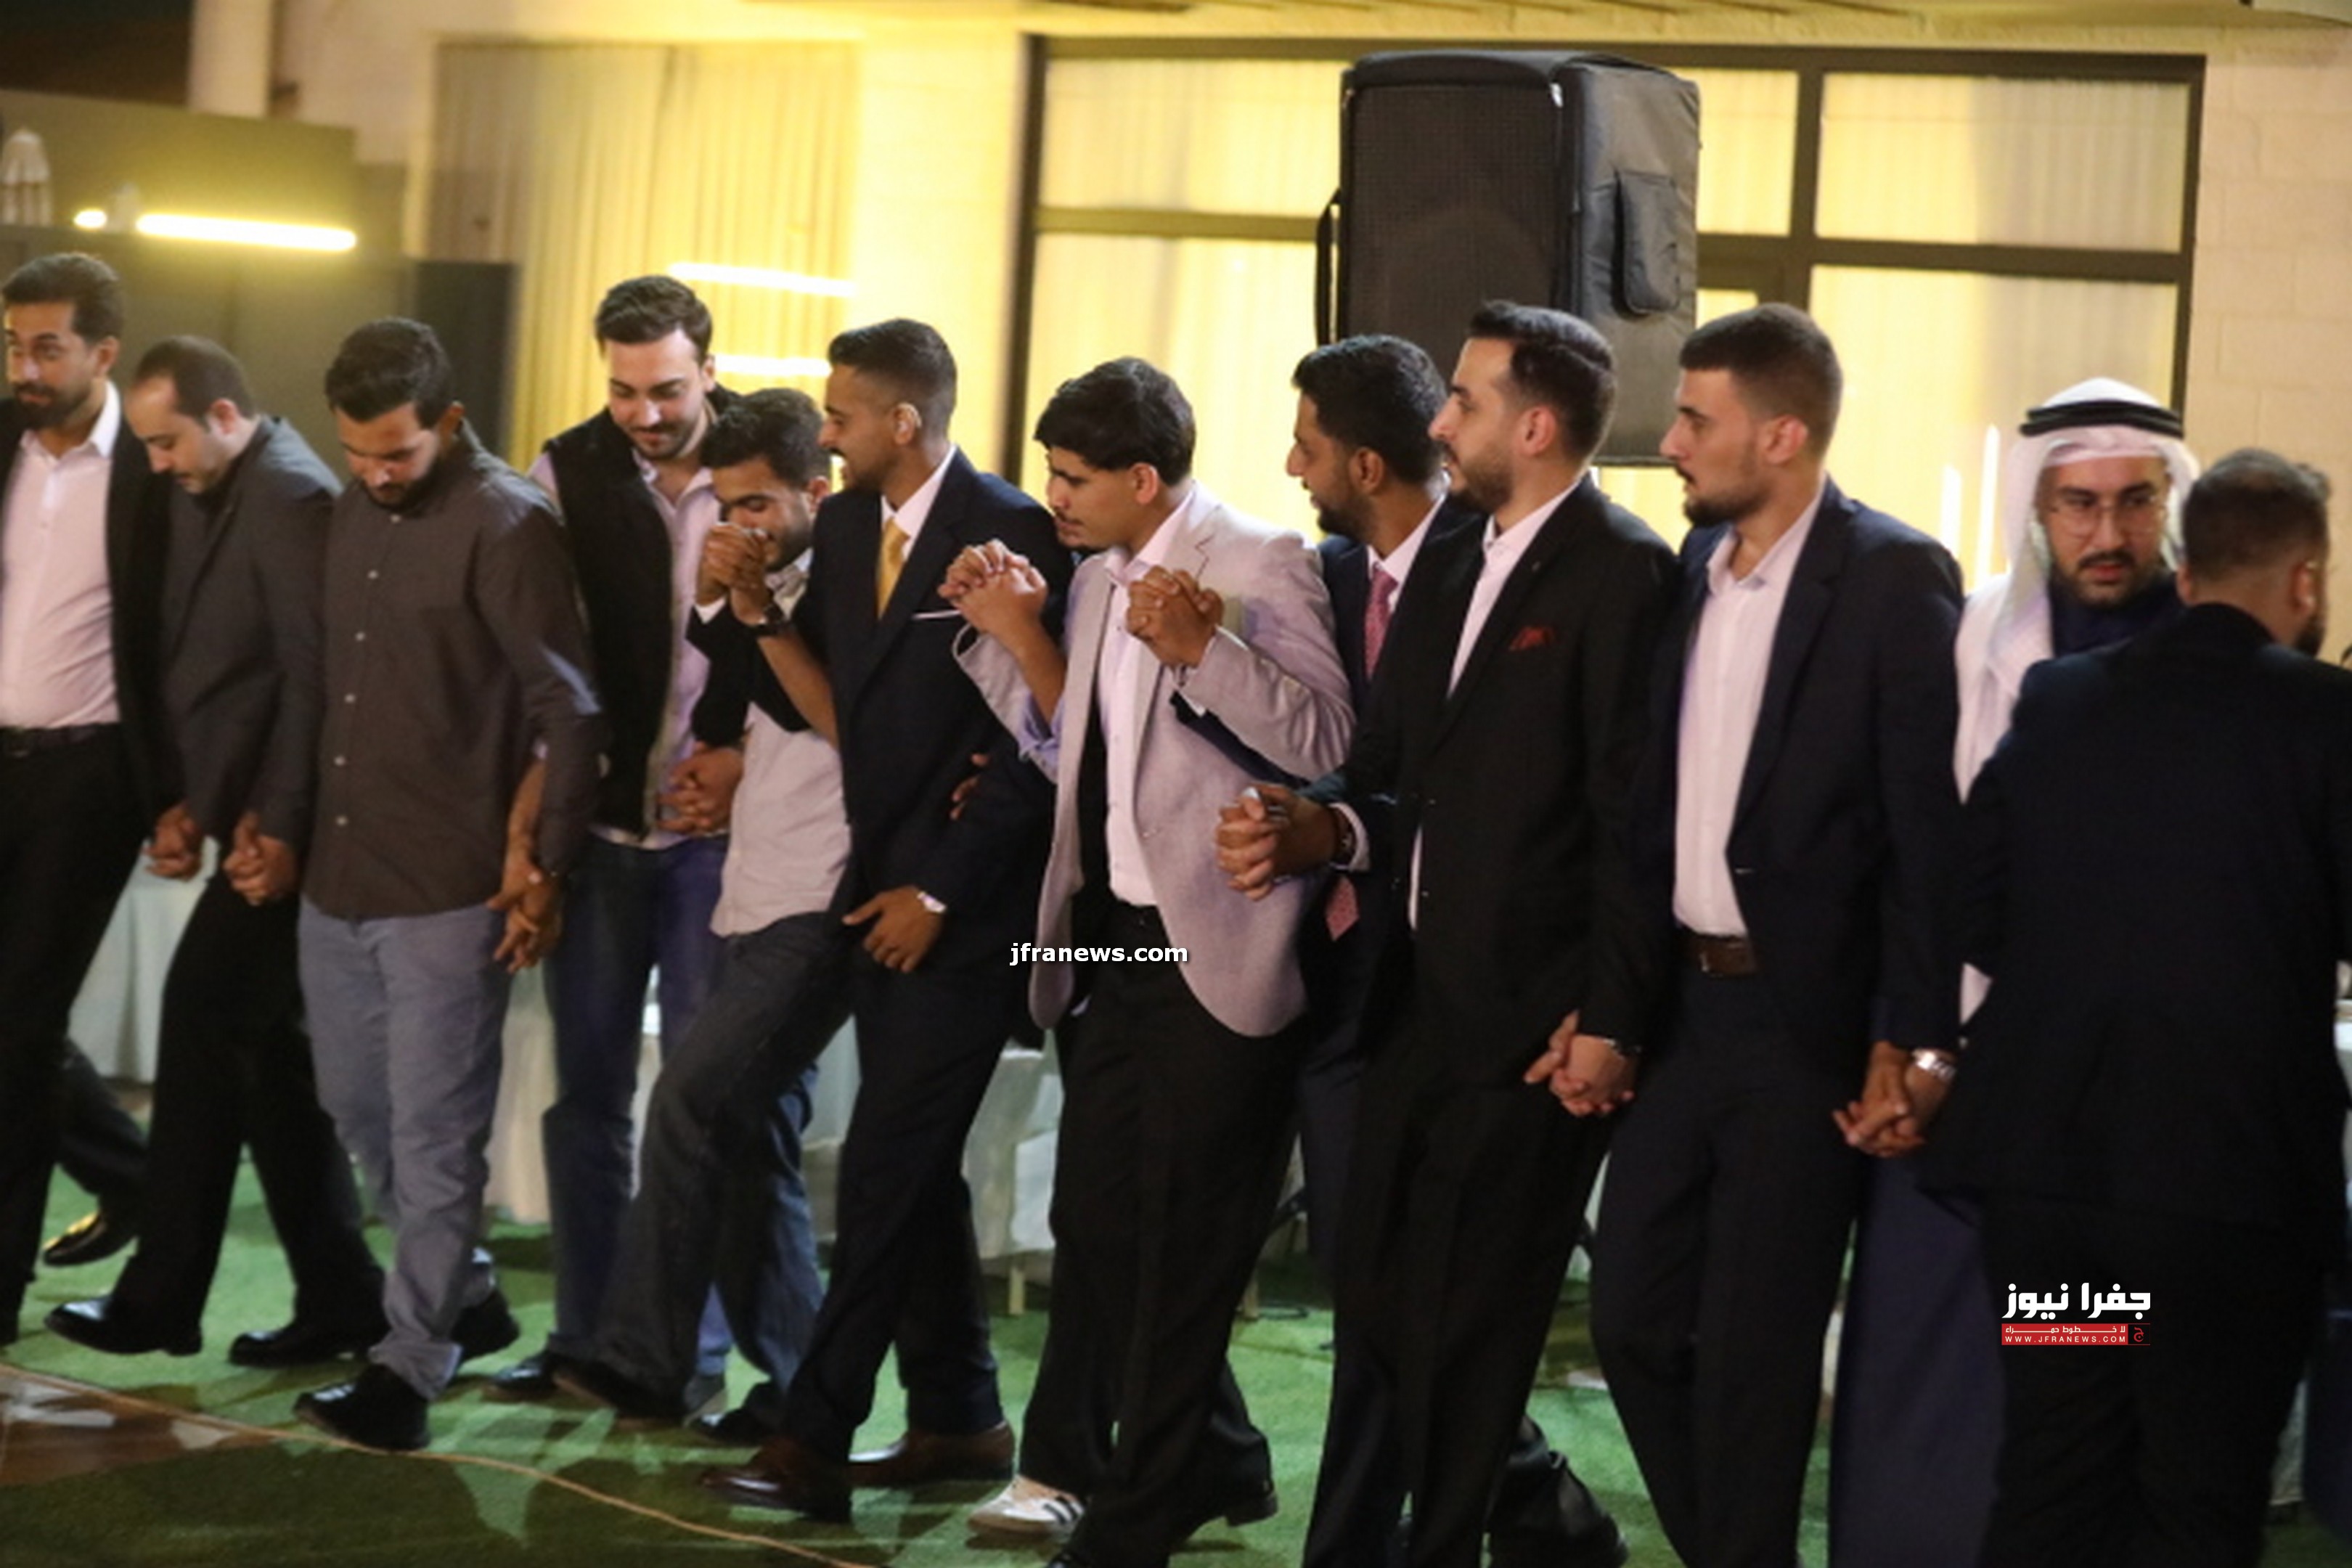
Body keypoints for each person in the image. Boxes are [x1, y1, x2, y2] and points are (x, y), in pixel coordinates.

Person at [1216, 301, 1670, 1568]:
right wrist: (1316, 826)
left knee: (1475, 1327)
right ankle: (1550, 1527)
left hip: (1535, 1025)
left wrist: (1613, 1015)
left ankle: (1464, 1539)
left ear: (1535, 426)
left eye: (1464, 400)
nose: (1441, 421)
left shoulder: (1623, 569)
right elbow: (1384, 771)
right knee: (1376, 1293)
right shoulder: (1455, 559)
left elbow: (1633, 820)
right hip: (1410, 1000)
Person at [947, 356, 1351, 1568]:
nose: (1054, 498)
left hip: (1218, 946)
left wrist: (1201, 646)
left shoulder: (1263, 560)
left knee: (1183, 1243)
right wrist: (1012, 633)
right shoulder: (1090, 575)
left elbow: (1328, 740)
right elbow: (1078, 751)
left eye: (1073, 479)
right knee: (1096, 1222)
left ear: (1141, 476)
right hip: (1108, 940)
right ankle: (1213, 1455)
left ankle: (1144, 1501)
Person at [1581, 303, 1963, 1568]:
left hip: (1805, 1028)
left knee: (1757, 1354)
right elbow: (1651, 810)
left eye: (1698, 420)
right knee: (1632, 1320)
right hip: (1684, 1017)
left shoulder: (1895, 577)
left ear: (1783, 436)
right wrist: (1615, 1009)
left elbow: (1927, 837)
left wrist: (1914, 1037)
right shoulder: (1695, 567)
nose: (1671, 443)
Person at [668, 319, 1069, 1521]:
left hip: (979, 913)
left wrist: (941, 888)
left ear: (905, 420)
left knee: (889, 1168)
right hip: (875, 897)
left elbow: (1038, 747)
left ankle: (814, 1438)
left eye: (841, 417)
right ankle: (958, 1418)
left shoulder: (1014, 530)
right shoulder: (846, 528)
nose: (827, 434)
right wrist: (755, 612)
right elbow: (836, 714)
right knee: (916, 1175)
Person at [1927, 448, 2352, 1567]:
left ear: (2187, 567)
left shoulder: (2061, 699)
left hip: (2057, 1194)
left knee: (2056, 1472)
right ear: (2304, 579)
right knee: (2198, 1497)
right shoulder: (2329, 717)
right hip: (2228, 1208)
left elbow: (1974, 913)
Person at [1829, 377, 2200, 1565]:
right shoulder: (1977, 635)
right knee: (1920, 1351)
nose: (2108, 532)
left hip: (2108, 1115)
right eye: (2078, 504)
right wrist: (1918, 1041)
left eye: (2135, 502)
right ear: (2036, 508)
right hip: (1957, 1077)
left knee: (2071, 1373)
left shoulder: (2204, 652)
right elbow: (1927, 860)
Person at [289, 317, 603, 1450]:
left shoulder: (508, 522)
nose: (375, 473)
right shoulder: (349, 511)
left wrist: (544, 866)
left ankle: (408, 1366)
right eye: (356, 452)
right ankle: (465, 1297)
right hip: (338, 875)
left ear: (452, 421)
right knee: (357, 1111)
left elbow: (570, 706)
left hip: (449, 887)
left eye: (397, 454)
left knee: (431, 1138)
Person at [45, 336, 385, 1365]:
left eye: (168, 442)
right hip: (249, 814)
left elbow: (314, 681)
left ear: (227, 416)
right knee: (273, 1063)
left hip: (293, 830)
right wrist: (194, 801)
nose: (157, 464)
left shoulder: (288, 498)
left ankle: (163, 1296)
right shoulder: (222, 485)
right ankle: (345, 1297)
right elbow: (219, 670)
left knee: (201, 1017)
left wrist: (276, 823)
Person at [551, 387, 849, 1440]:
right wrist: (728, 603)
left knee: (689, 1102)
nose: (739, 526)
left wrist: (752, 609)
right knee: (748, 1137)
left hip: (826, 892)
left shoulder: (851, 576)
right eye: (726, 507)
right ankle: (800, 1390)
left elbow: (844, 722)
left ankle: (648, 1360)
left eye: (758, 505)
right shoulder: (765, 578)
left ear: (817, 490)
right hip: (753, 884)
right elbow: (731, 704)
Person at [490, 275, 751, 1402]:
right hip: (599, 827)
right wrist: (531, 832)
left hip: (717, 836)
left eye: (667, 390)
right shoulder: (566, 468)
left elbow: (821, 637)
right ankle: (587, 1338)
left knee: (695, 1106)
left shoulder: (767, 464)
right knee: (585, 1098)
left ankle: (685, 1351)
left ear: (709, 370)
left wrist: (748, 760)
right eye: (624, 390)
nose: (645, 413)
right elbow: (542, 660)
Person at [0, 251, 171, 1347]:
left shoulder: (154, 470)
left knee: (18, 1023)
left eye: (47, 348)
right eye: (14, 346)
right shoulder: (0, 444)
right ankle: (133, 1176)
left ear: (104, 352)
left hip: (89, 777)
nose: (25, 368)